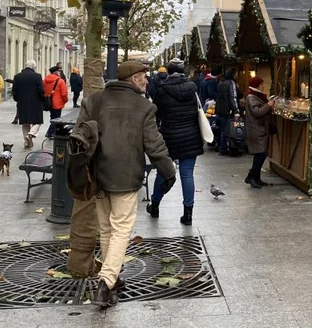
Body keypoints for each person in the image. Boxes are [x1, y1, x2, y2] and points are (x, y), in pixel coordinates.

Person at [75, 60, 175, 308]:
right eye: (144, 76)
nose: (147, 80)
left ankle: (113, 278)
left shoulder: (94, 101)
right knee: (121, 230)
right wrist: (168, 171)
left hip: (96, 175)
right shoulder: (144, 107)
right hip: (125, 176)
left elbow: (80, 134)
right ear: (133, 79)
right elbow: (154, 145)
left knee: (107, 229)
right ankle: (105, 281)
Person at [148, 61, 204, 224]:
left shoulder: (162, 90)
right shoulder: (192, 88)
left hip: (169, 137)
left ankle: (155, 205)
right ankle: (188, 214)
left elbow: (156, 114)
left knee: (163, 172)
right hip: (190, 136)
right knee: (187, 175)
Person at [244, 75, 275, 188]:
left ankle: (255, 178)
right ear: (257, 85)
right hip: (256, 130)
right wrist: (268, 105)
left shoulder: (257, 96)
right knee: (260, 154)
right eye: (261, 84)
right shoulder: (252, 97)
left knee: (261, 153)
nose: (263, 86)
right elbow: (257, 112)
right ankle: (251, 177)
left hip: (260, 129)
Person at [12, 61, 45, 149]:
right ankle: (31, 134)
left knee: (25, 122)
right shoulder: (37, 76)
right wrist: (43, 98)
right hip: (35, 102)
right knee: (37, 121)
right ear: (34, 67)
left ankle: (26, 142)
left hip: (22, 102)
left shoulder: (17, 76)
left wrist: (17, 99)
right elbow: (41, 90)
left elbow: (14, 91)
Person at [215, 67, 238, 155]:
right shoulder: (231, 83)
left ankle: (222, 147)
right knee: (227, 130)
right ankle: (224, 148)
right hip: (227, 110)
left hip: (220, 109)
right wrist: (236, 110)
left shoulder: (221, 83)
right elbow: (233, 97)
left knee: (222, 129)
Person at [43, 65, 69, 139]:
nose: (60, 72)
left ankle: (51, 132)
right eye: (59, 71)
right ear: (56, 72)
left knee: (53, 117)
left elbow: (43, 90)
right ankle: (50, 133)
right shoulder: (60, 81)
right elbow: (64, 94)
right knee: (56, 119)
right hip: (57, 103)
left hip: (48, 102)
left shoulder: (45, 80)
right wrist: (65, 101)